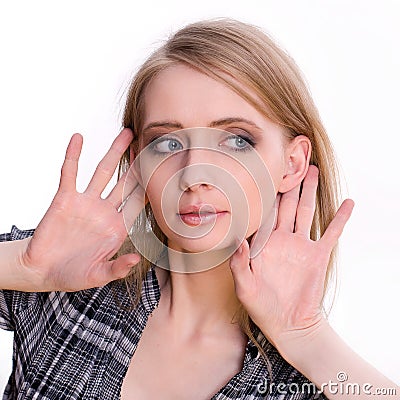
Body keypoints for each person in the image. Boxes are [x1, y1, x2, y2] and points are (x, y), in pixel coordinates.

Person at [0, 18, 398, 400]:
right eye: (168, 143)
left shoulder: (310, 377)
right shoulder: (67, 282)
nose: (193, 175)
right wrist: (24, 267)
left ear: (292, 164)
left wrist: (307, 336)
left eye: (237, 140)